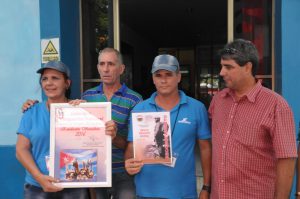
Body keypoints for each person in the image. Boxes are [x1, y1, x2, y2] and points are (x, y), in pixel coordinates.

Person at [22, 48, 143, 199]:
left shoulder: (135, 100)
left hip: (121, 171)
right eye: (102, 64)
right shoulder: (87, 97)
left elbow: (136, 145)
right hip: (92, 171)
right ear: (98, 67)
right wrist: (31, 105)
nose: (105, 69)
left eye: (111, 64)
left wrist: (113, 136)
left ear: (121, 69)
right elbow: (77, 137)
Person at [209, 39, 297, 199]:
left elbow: (287, 160)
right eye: (222, 66)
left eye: (228, 67)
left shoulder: (276, 105)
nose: (221, 72)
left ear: (248, 67)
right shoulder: (218, 100)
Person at [16, 61, 117, 199]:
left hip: (73, 187)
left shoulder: (80, 110)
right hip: (37, 187)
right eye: (44, 79)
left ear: (67, 83)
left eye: (55, 78)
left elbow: (95, 143)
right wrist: (39, 178)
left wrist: (106, 129)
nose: (49, 83)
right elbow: (21, 150)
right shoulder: (31, 112)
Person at [125, 54, 212, 199]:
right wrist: (128, 163)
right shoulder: (140, 109)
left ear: (178, 77)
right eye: (158, 75)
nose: (163, 80)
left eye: (169, 75)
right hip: (147, 192)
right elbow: (131, 146)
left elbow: (205, 148)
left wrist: (206, 187)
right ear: (153, 78)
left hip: (184, 193)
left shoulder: (197, 108)